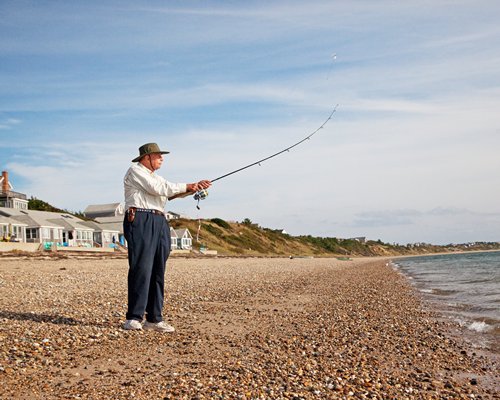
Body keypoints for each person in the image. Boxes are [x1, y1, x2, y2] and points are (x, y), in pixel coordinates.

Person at [123, 143, 211, 332]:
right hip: (140, 218)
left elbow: (168, 193)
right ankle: (133, 317)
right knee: (141, 268)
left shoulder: (157, 177)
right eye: (158, 156)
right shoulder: (135, 170)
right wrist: (188, 185)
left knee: (157, 269)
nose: (162, 158)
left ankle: (154, 319)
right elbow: (158, 188)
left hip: (160, 220)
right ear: (146, 158)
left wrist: (193, 188)